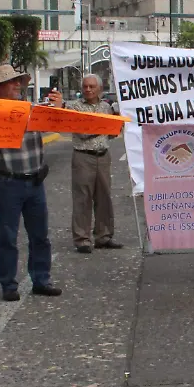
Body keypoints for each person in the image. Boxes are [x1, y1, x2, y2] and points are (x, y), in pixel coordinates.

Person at [0, 64, 63, 301]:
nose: (18, 85)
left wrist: (59, 107)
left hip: (35, 181)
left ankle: (41, 279)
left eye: (19, 81)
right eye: (11, 82)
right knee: (8, 237)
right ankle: (8, 284)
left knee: (41, 235)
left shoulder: (32, 109)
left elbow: (58, 121)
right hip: (7, 183)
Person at [57, 74, 123, 254]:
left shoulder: (106, 108)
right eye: (85, 86)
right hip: (82, 157)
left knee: (104, 197)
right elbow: (81, 131)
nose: (88, 90)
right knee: (82, 199)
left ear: (99, 89)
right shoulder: (74, 107)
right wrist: (99, 127)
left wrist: (113, 124)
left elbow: (112, 133)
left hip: (103, 156)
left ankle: (104, 236)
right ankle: (82, 239)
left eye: (92, 86)